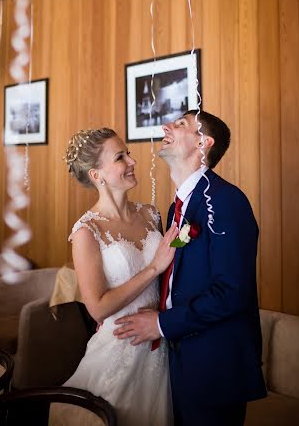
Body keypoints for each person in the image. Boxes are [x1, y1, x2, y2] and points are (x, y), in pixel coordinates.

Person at [114, 110, 267, 426]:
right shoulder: (177, 209)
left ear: (203, 142)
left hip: (214, 364)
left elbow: (231, 293)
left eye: (180, 124)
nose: (165, 126)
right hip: (179, 356)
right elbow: (178, 273)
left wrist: (161, 324)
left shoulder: (227, 200)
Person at [52, 127, 176, 426]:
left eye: (128, 153)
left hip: (159, 344)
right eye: (120, 157)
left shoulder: (151, 215)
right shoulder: (87, 231)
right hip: (120, 347)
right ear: (97, 175)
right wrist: (153, 268)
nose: (132, 161)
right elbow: (97, 307)